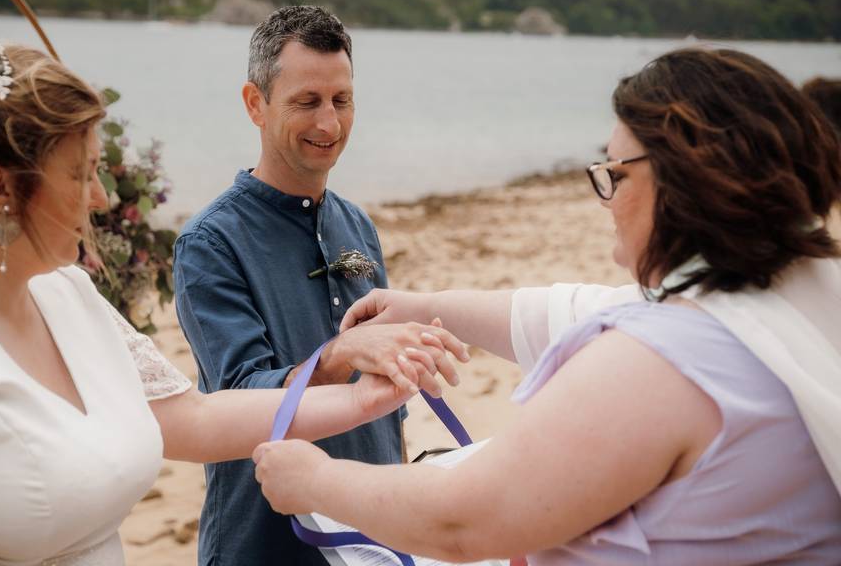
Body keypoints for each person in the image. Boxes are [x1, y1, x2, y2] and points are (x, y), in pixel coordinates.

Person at [0, 34, 457, 565]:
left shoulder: (67, 292)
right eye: (81, 175)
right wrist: (338, 361)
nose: (102, 198)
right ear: (1, 188)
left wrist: (370, 400)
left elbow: (197, 418)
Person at [253, 47, 841, 563]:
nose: (605, 198)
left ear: (682, 180)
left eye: (614, 174)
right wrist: (423, 305)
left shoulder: (664, 363)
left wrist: (316, 480)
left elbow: (463, 521)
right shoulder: (794, 291)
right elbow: (563, 310)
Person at [173, 5, 467, 566]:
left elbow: (392, 404)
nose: (328, 125)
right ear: (255, 104)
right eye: (306, 102)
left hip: (375, 535)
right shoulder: (209, 244)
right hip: (266, 544)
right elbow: (235, 394)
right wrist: (336, 356)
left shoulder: (356, 225)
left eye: (341, 100)